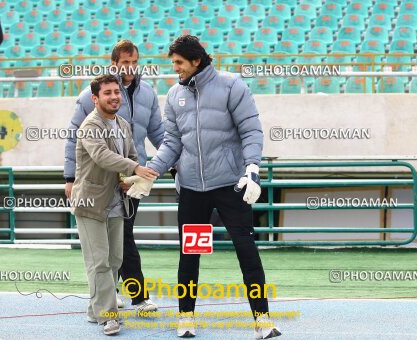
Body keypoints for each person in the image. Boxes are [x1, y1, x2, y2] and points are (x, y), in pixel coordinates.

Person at [124, 35, 282, 339]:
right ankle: (186, 318)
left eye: (179, 63)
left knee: (246, 250)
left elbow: (251, 130)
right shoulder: (173, 95)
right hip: (193, 190)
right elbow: (172, 143)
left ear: (196, 60)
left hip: (231, 187)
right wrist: (150, 172)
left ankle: (263, 320)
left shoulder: (232, 85)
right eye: (173, 64)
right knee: (191, 254)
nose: (175, 70)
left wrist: (251, 168)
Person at [64, 40, 164, 314]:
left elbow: (159, 133)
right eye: (125, 63)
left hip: (131, 181)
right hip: (98, 182)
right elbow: (75, 135)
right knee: (112, 245)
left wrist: (173, 161)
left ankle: (111, 295)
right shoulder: (90, 95)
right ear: (114, 63)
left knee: (120, 242)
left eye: (134, 62)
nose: (130, 68)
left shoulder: (148, 94)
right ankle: (135, 296)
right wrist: (70, 177)